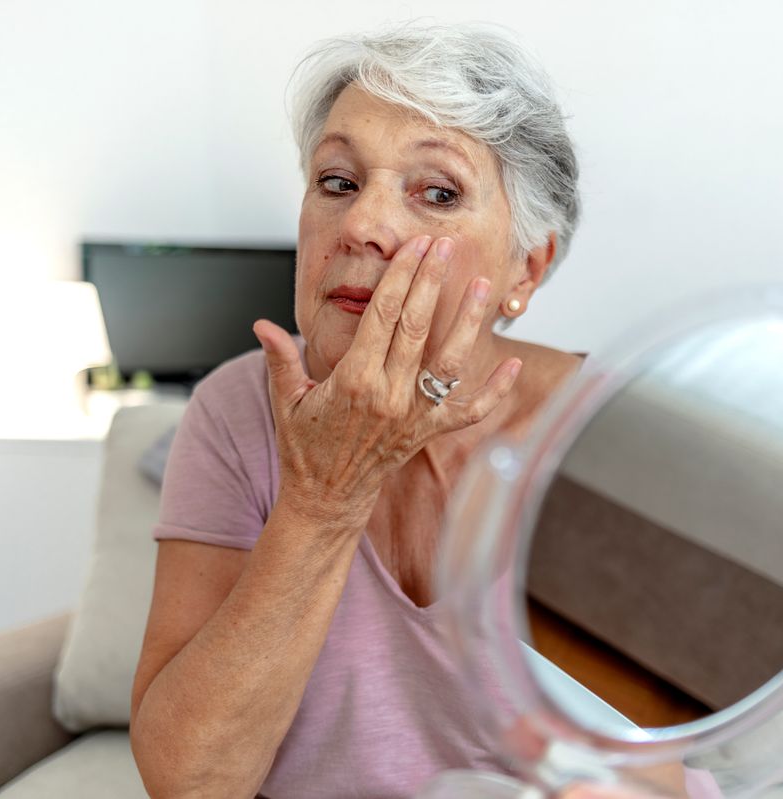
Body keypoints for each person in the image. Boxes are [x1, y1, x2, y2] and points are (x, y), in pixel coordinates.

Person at [128, 20, 685, 799]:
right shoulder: (234, 411)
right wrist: (323, 498)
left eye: (438, 192)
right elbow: (188, 781)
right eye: (337, 182)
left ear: (526, 269)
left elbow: (662, 768)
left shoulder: (618, 433)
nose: (361, 226)